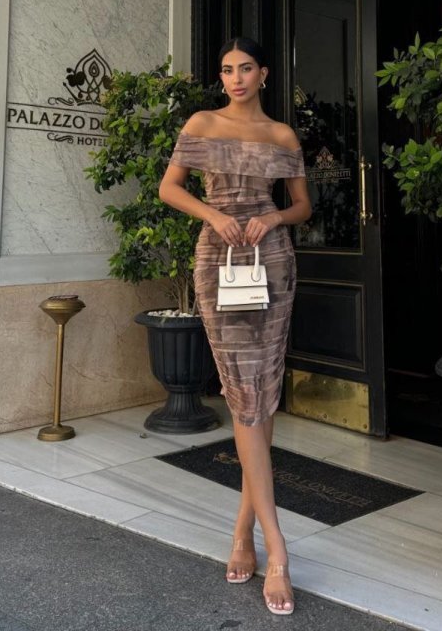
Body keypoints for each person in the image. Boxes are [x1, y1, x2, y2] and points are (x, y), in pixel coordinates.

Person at [159, 37, 311, 616]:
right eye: (227, 70)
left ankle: (244, 532)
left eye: (245, 68)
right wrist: (214, 214)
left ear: (264, 73)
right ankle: (278, 547)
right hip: (218, 262)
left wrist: (274, 217)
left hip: (271, 263)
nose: (236, 78)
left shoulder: (282, 135)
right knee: (242, 394)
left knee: (261, 395)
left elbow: (302, 206)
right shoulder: (203, 123)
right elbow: (169, 187)